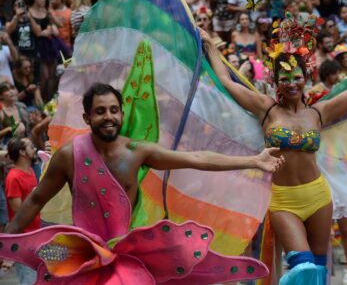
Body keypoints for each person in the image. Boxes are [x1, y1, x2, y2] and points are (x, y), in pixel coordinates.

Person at [0, 83, 281, 283]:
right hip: (79, 253)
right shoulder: (68, 156)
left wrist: (254, 161)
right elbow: (36, 200)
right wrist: (8, 244)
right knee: (44, 256)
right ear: (87, 117)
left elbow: (196, 158)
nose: (109, 116)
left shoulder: (137, 152)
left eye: (114, 110)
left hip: (129, 255)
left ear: (122, 114)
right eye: (100, 111)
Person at [203, 12, 347, 283]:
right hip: (282, 201)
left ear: (305, 77)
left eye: (296, 77)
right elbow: (226, 82)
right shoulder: (265, 109)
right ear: (275, 81)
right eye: (284, 77)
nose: (291, 83)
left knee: (318, 270)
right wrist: (210, 44)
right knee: (302, 267)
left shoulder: (318, 112)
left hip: (318, 197)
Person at [4, 137, 40, 284]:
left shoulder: (31, 171)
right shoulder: (13, 177)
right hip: (22, 239)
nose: (35, 149)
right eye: (31, 147)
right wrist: (35, 195)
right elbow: (18, 211)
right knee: (28, 280)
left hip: (35, 235)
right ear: (22, 152)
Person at [231, 12, 263, 80]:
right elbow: (233, 51)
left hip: (253, 62)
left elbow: (259, 52)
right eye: (242, 19)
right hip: (239, 63)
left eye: (246, 19)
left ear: (250, 21)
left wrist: (261, 66)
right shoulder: (234, 34)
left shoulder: (256, 35)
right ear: (239, 22)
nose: (244, 21)